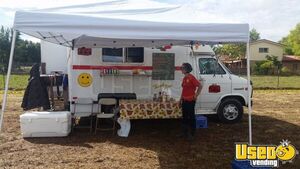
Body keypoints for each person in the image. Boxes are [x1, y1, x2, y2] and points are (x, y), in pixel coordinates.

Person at [179, 63, 202, 140]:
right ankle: (184, 133)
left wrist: (196, 95)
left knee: (191, 117)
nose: (181, 69)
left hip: (190, 101)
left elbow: (200, 86)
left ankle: (192, 133)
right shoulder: (185, 78)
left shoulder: (191, 77)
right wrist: (180, 100)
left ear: (186, 69)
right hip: (184, 100)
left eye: (182, 68)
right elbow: (184, 90)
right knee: (184, 117)